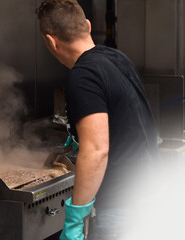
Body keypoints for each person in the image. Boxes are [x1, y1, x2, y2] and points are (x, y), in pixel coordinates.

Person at [36, 0, 159, 239]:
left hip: (122, 209)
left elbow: (96, 151)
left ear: (51, 41)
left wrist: (75, 218)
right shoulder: (116, 58)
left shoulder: (82, 76)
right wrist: (80, 136)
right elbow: (123, 116)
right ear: (88, 26)